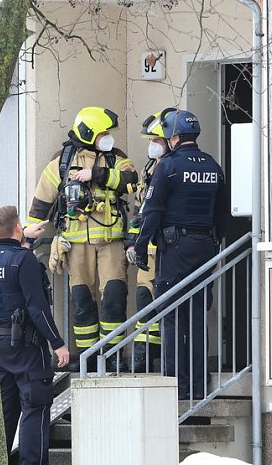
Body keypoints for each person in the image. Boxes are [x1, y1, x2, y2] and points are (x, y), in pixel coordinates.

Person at [26, 107, 138, 371]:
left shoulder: (115, 158)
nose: (107, 137)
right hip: (76, 245)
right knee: (82, 300)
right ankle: (88, 356)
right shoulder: (62, 162)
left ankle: (113, 355)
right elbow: (41, 202)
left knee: (114, 297)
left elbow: (131, 181)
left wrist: (97, 175)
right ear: (89, 134)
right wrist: (27, 240)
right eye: (102, 133)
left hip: (111, 242)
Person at [130, 108, 229, 400]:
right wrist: (214, 243)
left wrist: (139, 247)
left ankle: (175, 386)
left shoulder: (168, 166)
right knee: (197, 316)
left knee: (172, 317)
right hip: (205, 247)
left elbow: (151, 211)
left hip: (174, 250)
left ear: (173, 137)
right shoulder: (213, 166)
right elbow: (223, 214)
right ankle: (198, 386)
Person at [0, 206, 70, 464]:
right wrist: (58, 344)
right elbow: (37, 307)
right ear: (17, 227)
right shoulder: (25, 260)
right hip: (27, 346)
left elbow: (7, 254)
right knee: (35, 408)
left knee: (5, 413)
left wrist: (26, 238)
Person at [124, 111, 169, 372]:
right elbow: (140, 210)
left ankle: (165, 356)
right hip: (146, 248)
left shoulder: (172, 167)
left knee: (163, 301)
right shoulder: (150, 167)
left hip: (166, 248)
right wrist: (133, 242)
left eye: (156, 139)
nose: (151, 145)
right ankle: (142, 357)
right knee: (144, 300)